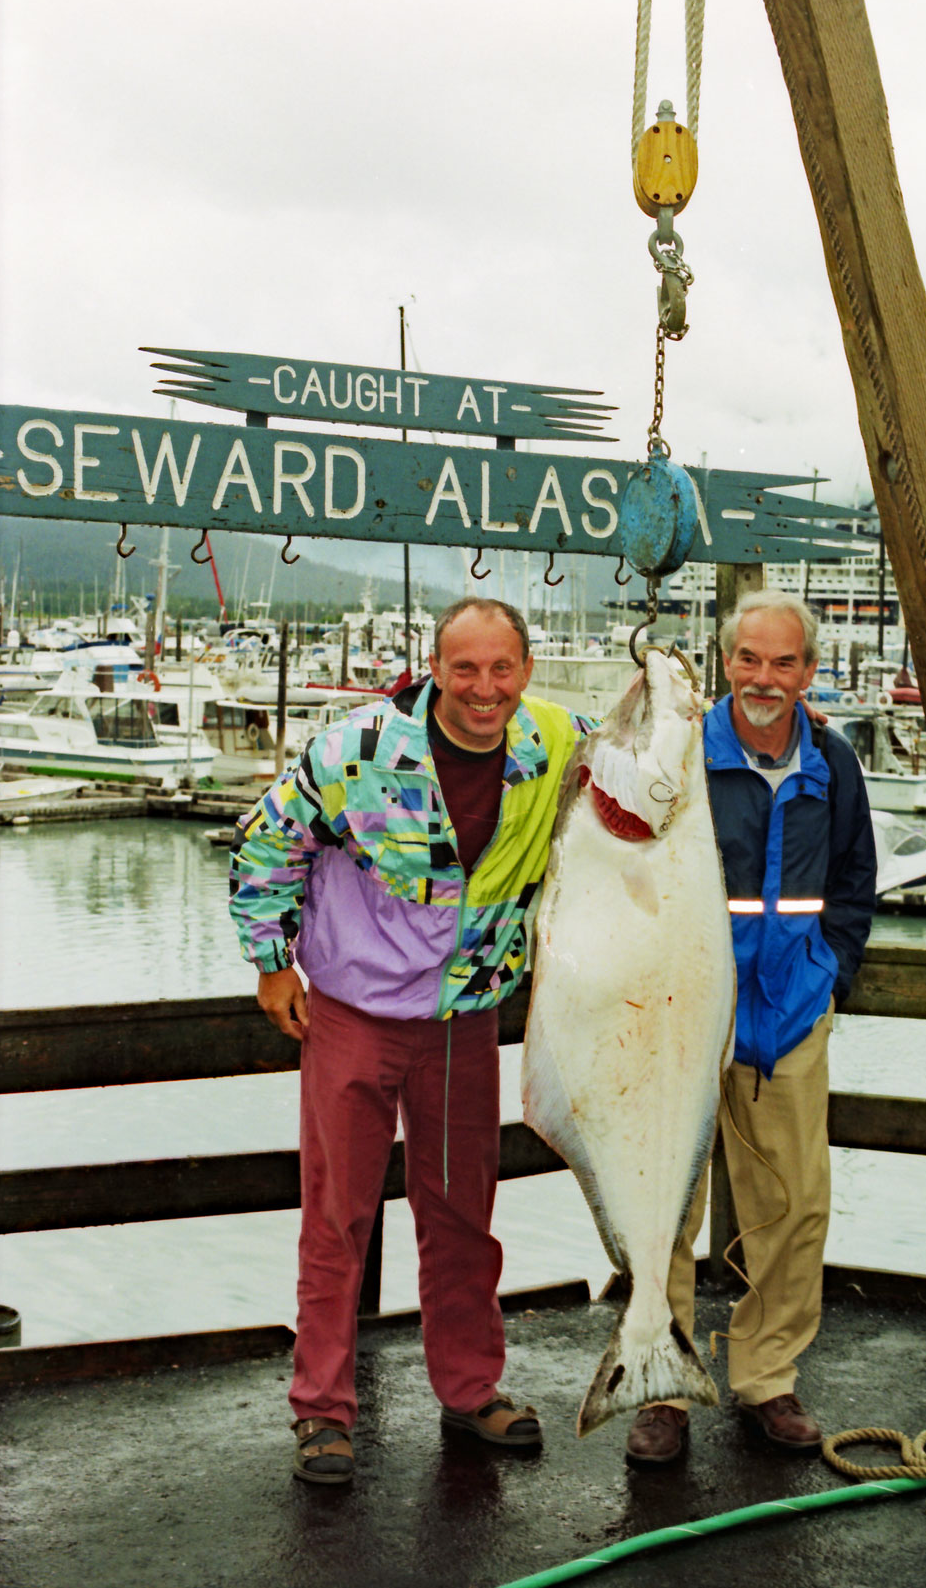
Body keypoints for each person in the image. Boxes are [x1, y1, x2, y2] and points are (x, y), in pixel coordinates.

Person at [229, 597, 593, 1482]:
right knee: (338, 1215)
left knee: (462, 1212)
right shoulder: (356, 748)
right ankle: (322, 1408)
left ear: (526, 673)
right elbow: (268, 839)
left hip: (465, 1020)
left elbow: (650, 752)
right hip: (353, 1017)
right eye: (464, 668)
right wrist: (274, 962)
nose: (483, 688)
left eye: (501, 669)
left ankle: (471, 1387)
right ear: (435, 666)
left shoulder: (552, 742)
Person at [625, 589, 877, 1465]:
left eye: (783, 662)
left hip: (792, 1015)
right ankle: (664, 1387)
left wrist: (830, 972)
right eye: (748, 659)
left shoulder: (836, 764)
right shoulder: (684, 755)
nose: (764, 678)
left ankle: (767, 1376)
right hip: (686, 1019)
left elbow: (853, 884)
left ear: (809, 670)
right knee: (668, 1209)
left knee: (795, 1205)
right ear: (725, 661)